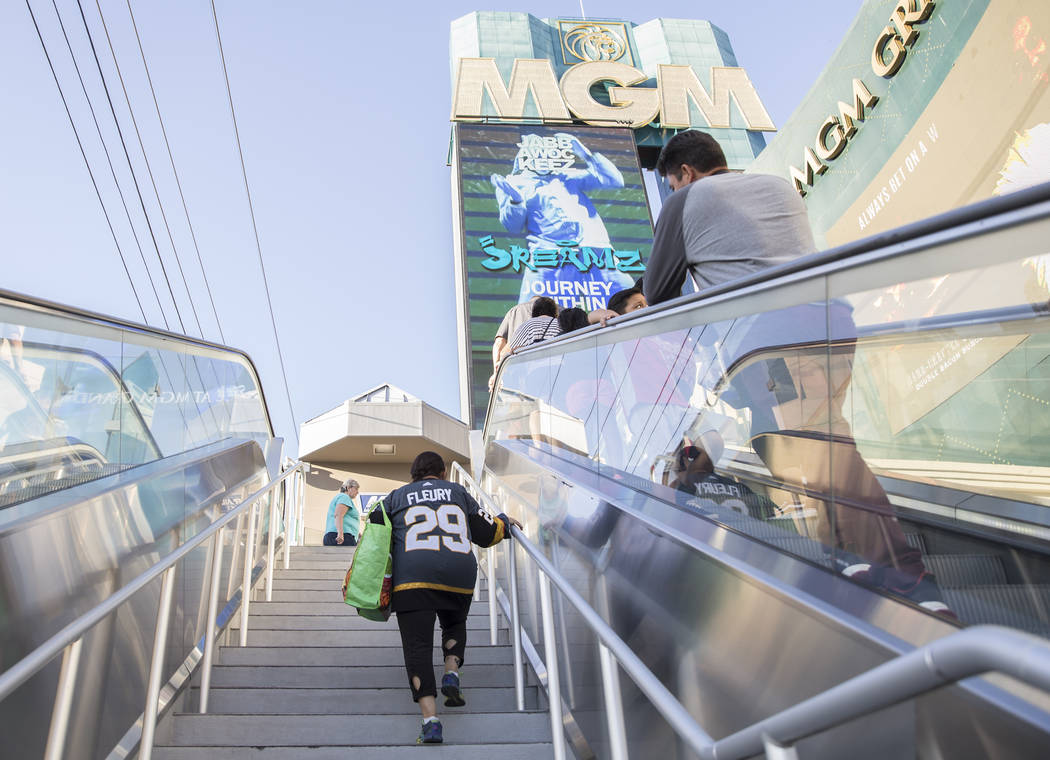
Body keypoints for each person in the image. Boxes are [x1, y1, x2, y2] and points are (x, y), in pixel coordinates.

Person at [380, 451, 520, 744]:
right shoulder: (458, 491)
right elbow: (487, 531)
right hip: (458, 573)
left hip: (413, 578)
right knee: (454, 622)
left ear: (414, 474)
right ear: (443, 472)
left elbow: (375, 535)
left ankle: (431, 722)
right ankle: (452, 672)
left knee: (417, 647)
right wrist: (505, 523)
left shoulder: (394, 497)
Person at [642, 129, 815, 305]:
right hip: (829, 312)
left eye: (673, 186)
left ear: (687, 172)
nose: (675, 192)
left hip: (762, 322)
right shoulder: (781, 185)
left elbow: (657, 294)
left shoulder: (683, 200)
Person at [491, 132, 636, 305]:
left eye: (546, 152)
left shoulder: (566, 175)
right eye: (536, 152)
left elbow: (614, 180)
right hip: (549, 256)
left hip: (595, 249)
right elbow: (512, 226)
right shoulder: (513, 182)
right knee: (532, 313)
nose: (542, 157)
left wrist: (584, 153)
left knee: (630, 303)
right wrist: (516, 200)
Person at [323, 479, 360, 546]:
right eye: (356, 489)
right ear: (349, 488)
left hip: (338, 535)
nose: (357, 492)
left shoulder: (342, 497)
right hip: (342, 537)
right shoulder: (344, 497)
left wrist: (358, 534)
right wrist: (340, 533)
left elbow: (346, 519)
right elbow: (338, 515)